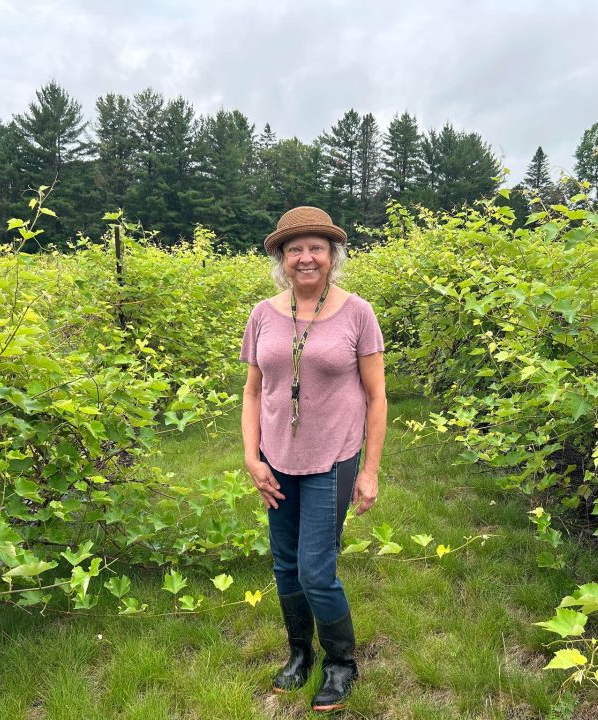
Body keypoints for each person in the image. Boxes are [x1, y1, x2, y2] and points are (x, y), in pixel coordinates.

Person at [239, 206, 387, 712]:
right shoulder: (262, 313)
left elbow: (377, 396)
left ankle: (342, 663)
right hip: (277, 459)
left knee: (316, 571)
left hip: (333, 459)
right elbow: (253, 390)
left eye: (316, 248)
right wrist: (252, 457)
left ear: (332, 255)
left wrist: (369, 470)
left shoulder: (357, 312)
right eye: (295, 248)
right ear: (281, 257)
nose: (306, 258)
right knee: (285, 567)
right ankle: (299, 653)